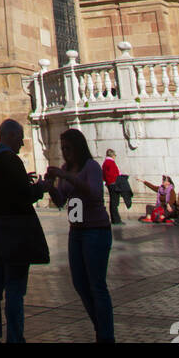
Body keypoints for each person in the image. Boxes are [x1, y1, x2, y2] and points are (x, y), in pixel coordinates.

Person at [0, 118, 49, 344]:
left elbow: (0, 190)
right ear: (8, 136)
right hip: (14, 235)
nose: (22, 143)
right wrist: (40, 188)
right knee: (15, 291)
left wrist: (22, 182)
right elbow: (22, 197)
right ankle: (15, 338)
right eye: (19, 137)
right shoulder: (10, 160)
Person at [46, 128, 115, 344]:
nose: (65, 153)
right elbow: (61, 201)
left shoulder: (91, 167)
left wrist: (67, 176)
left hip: (95, 230)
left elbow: (95, 193)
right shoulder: (67, 168)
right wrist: (49, 187)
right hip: (76, 230)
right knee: (79, 282)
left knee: (97, 284)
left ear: (78, 147)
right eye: (63, 148)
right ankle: (101, 327)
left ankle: (105, 335)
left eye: (68, 148)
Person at [101, 148, 123, 225]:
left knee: (113, 202)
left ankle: (115, 219)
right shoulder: (110, 162)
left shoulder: (105, 163)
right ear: (112, 155)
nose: (115, 156)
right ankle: (116, 220)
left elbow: (104, 174)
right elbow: (115, 174)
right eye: (115, 155)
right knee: (115, 202)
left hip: (110, 184)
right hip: (114, 184)